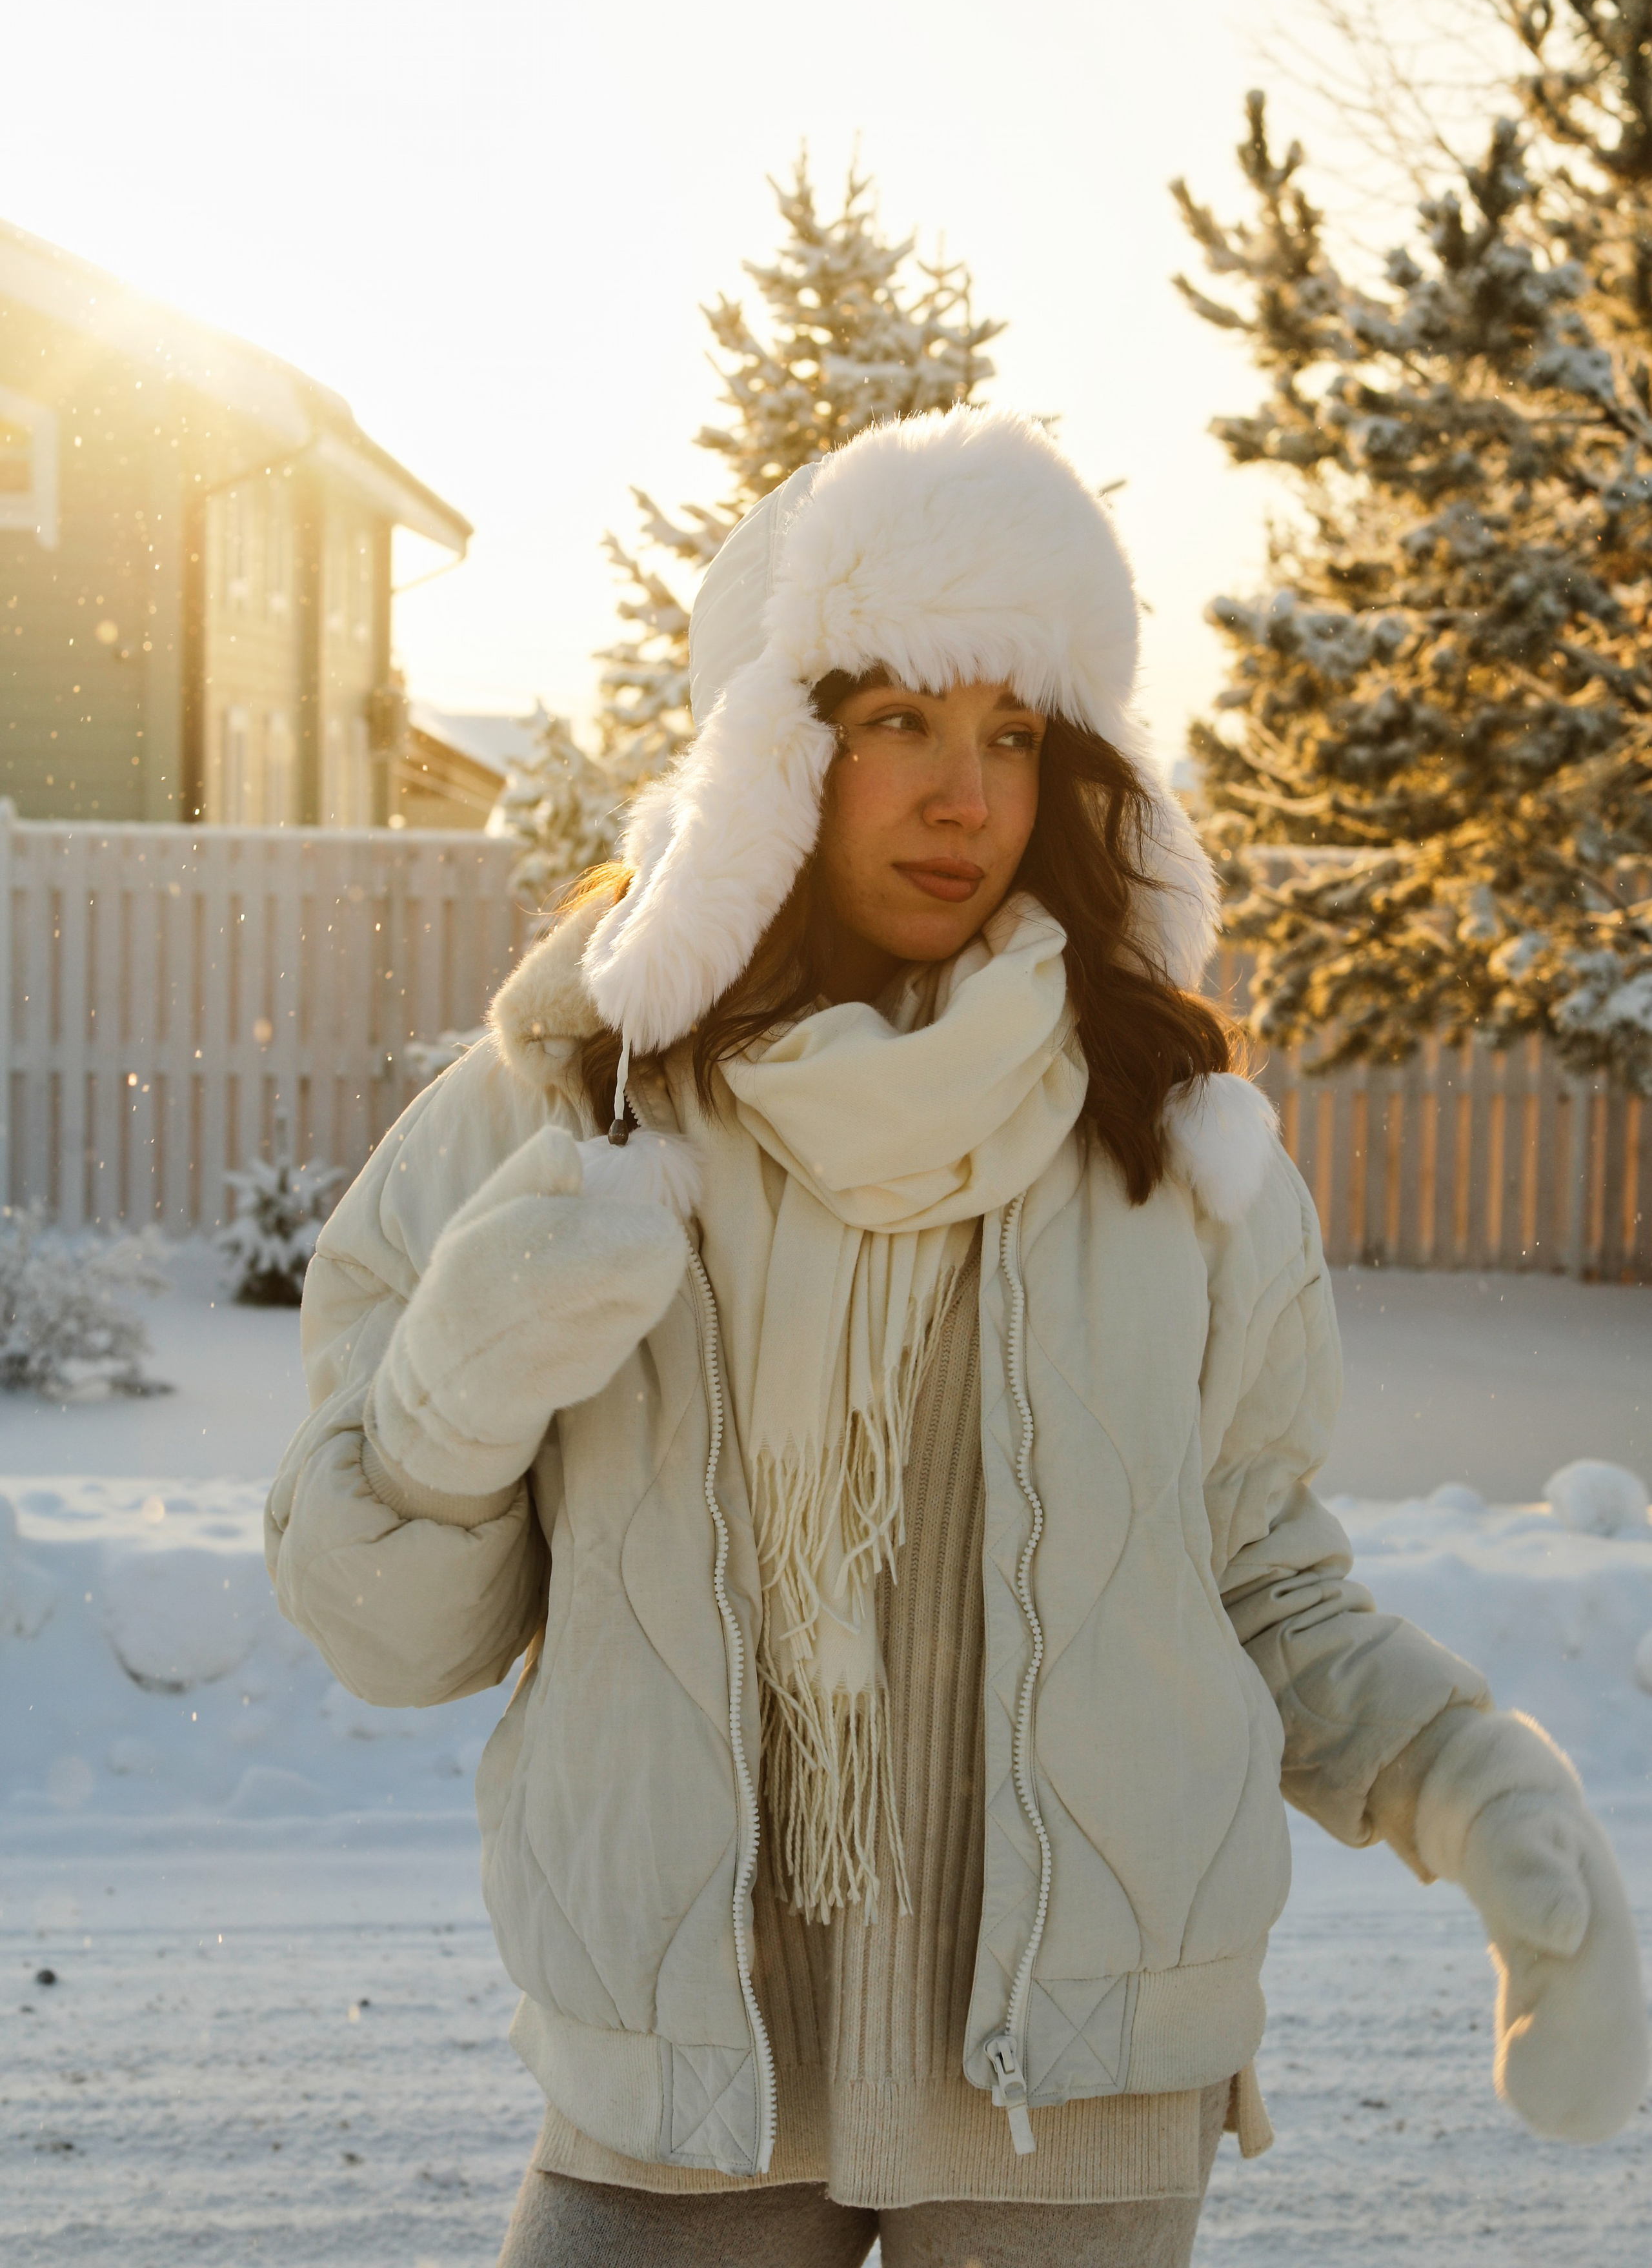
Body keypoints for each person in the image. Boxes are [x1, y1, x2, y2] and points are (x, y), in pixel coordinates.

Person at [266, 408, 1648, 2268]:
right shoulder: (568, 1112)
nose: (962, 798)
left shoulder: (1176, 1144)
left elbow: (1253, 1583)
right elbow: (389, 1636)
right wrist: (454, 1397)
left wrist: (1476, 1788)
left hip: (1074, 2087)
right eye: (899, 720)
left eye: (1015, 737)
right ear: (777, 750)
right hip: (687, 2071)